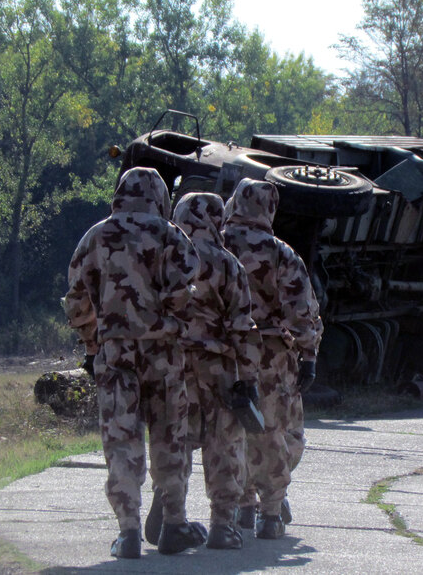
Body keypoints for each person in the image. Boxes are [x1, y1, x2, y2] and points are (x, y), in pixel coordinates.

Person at [63, 166, 206, 559]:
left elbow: (76, 299)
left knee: (122, 439)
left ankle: (127, 532)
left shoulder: (96, 235)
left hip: (116, 354)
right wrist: (167, 322)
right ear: (159, 196)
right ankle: (174, 523)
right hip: (163, 354)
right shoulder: (171, 234)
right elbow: (187, 294)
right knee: (169, 436)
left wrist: (93, 343)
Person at [221, 178, 323, 540]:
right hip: (271, 355)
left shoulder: (214, 245)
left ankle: (244, 504)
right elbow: (302, 310)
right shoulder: (281, 252)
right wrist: (308, 354)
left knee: (232, 430)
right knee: (277, 431)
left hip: (226, 353)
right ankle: (271, 511)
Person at [163, 191, 261, 550]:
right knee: (223, 442)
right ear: (216, 219)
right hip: (217, 366)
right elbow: (242, 326)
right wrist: (248, 377)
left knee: (175, 436)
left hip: (171, 362)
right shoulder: (227, 263)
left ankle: (171, 510)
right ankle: (222, 523)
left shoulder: (167, 256)